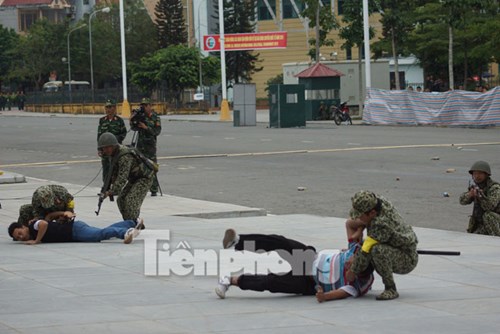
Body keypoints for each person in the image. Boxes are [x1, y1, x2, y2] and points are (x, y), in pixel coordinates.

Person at [215, 219, 375, 302]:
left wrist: (324, 297)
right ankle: (237, 240)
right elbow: (349, 223)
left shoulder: (358, 285)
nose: (348, 262)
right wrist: (364, 226)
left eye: (350, 266)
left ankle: (229, 280)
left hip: (307, 282)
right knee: (280, 242)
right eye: (351, 260)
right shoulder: (357, 250)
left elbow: (339, 293)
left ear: (357, 273)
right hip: (310, 258)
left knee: (271, 282)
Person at [345, 190, 418, 300]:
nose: (358, 218)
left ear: (372, 213)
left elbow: (365, 252)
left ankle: (390, 289)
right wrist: (360, 229)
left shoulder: (381, 224)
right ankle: (353, 250)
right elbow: (366, 223)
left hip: (406, 257)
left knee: (377, 250)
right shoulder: (377, 201)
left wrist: (352, 272)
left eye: (360, 215)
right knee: (351, 222)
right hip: (390, 241)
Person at [97, 132, 156, 222]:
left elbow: (122, 178)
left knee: (130, 202)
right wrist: (105, 189)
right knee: (121, 200)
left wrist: (110, 192)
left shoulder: (124, 156)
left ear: (114, 146)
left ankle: (134, 223)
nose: (106, 150)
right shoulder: (114, 154)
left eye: (108, 147)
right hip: (135, 178)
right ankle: (128, 222)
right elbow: (112, 173)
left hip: (144, 177)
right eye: (104, 148)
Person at [8, 215, 144, 245]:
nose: (21, 237)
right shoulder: (31, 231)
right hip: (74, 231)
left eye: (20, 233)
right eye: (18, 238)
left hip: (73, 230)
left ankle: (126, 232)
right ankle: (132, 222)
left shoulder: (33, 226)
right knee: (101, 231)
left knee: (98, 235)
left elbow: (43, 224)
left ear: (23, 226)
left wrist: (37, 241)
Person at [459, 161, 500, 236]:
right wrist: (470, 195)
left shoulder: (495, 188)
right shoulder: (476, 187)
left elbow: (490, 207)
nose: (477, 176)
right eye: (475, 174)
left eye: (480, 173)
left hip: (496, 222)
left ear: (486, 174)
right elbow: (461, 201)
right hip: (483, 224)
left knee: (488, 215)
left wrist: (480, 197)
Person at [132, 97, 161, 196]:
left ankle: (154, 189)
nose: (143, 107)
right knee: (140, 168)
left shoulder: (155, 117)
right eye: (142, 105)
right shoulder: (140, 116)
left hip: (150, 146)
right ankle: (140, 188)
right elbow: (134, 128)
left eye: (145, 105)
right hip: (140, 146)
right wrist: (132, 120)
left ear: (150, 106)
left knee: (152, 167)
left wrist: (146, 127)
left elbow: (157, 132)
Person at [97, 99, 128, 182]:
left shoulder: (119, 121)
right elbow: (99, 136)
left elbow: (123, 133)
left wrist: (115, 141)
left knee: (116, 169)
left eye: (110, 107)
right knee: (106, 169)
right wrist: (99, 149)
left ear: (114, 108)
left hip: (115, 150)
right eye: (106, 107)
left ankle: (115, 189)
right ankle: (105, 188)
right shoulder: (102, 120)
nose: (108, 109)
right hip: (105, 150)